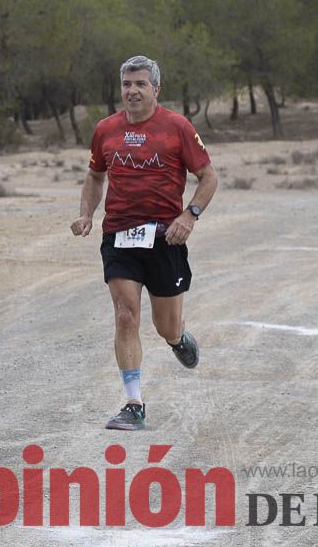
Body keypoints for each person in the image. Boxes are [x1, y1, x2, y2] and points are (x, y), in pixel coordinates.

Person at [70, 55, 218, 431]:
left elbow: (208, 177)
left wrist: (190, 216)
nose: (132, 91)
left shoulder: (177, 127)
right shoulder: (106, 129)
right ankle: (133, 404)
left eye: (140, 84)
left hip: (165, 238)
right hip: (119, 236)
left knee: (165, 326)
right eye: (126, 84)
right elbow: (94, 175)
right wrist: (87, 213)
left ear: (156, 89)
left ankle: (178, 338)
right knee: (125, 315)